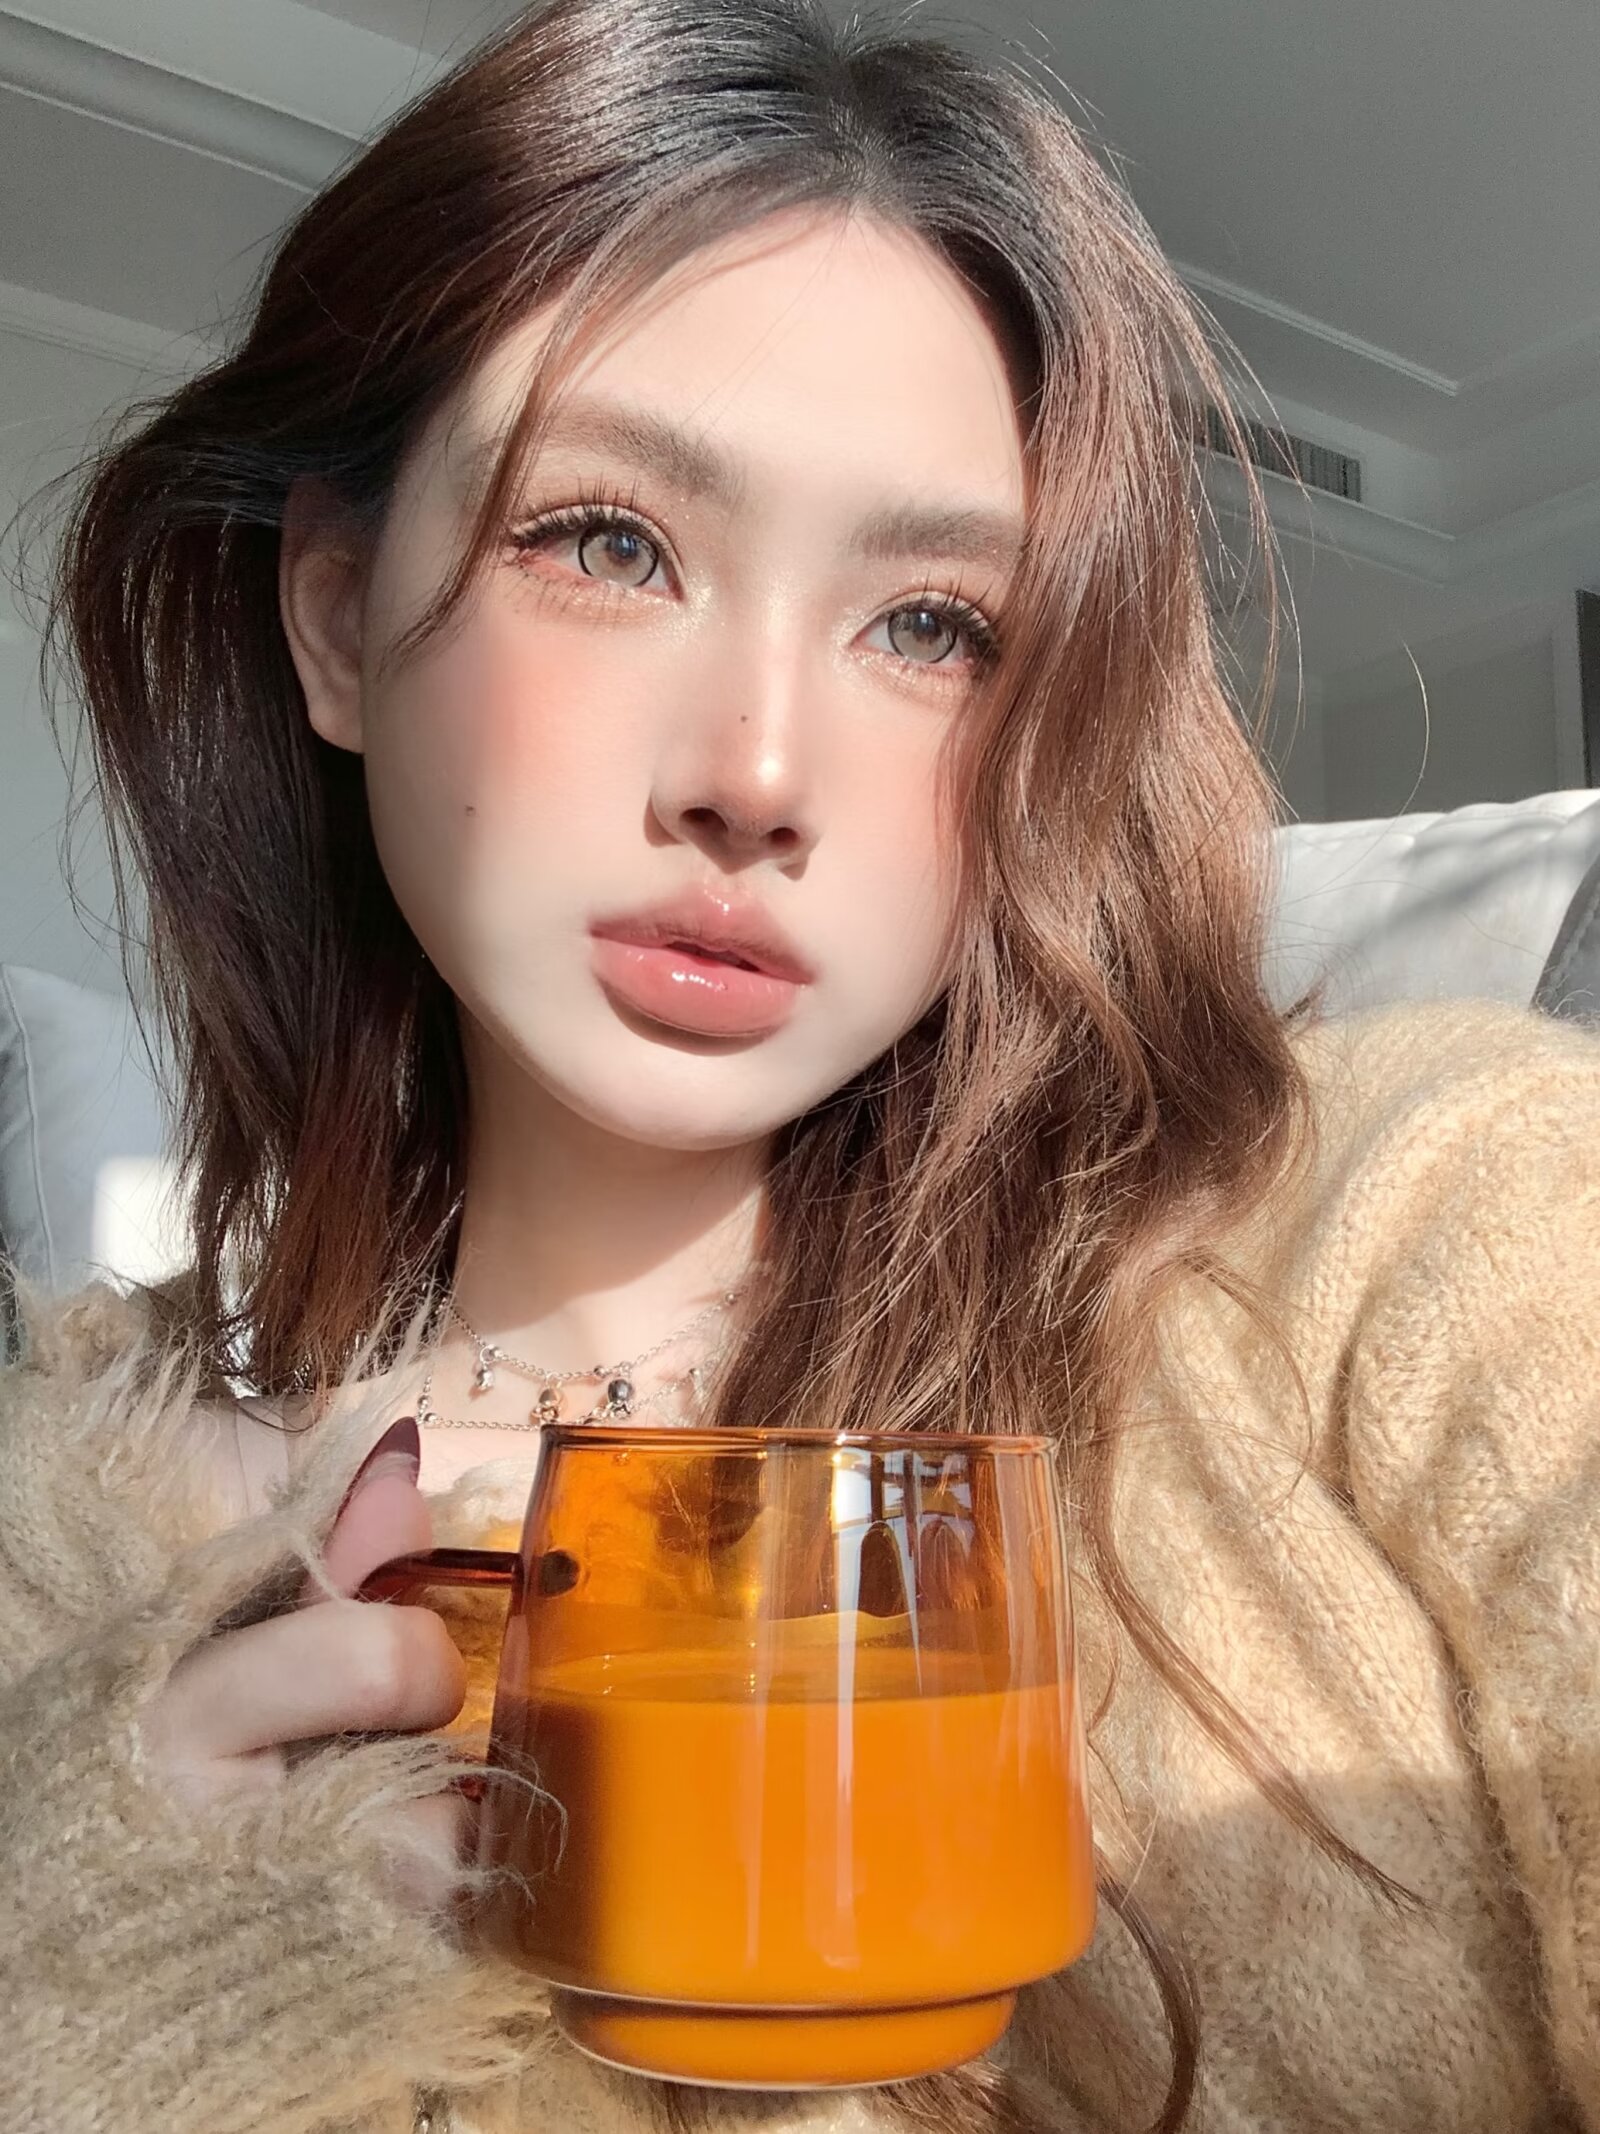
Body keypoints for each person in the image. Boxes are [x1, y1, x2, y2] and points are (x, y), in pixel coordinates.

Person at [3, 0, 1598, 2129]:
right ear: (331, 618)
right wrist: (81, 1999)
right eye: (608, 540)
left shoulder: (1426, 1237)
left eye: (932, 625)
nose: (759, 774)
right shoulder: (64, 1556)